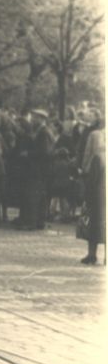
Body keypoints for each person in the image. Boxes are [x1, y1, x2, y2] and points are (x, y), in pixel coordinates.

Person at [18, 109, 55, 230]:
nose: (33, 120)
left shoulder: (43, 132)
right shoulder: (44, 131)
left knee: (34, 195)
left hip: (39, 169)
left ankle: (32, 223)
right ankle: (39, 221)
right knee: (41, 196)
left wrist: (28, 153)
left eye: (36, 118)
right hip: (42, 169)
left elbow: (44, 152)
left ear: (42, 119)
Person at [78, 112, 105, 265]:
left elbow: (91, 180)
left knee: (93, 225)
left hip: (96, 197)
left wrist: (86, 196)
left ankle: (92, 254)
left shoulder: (97, 159)